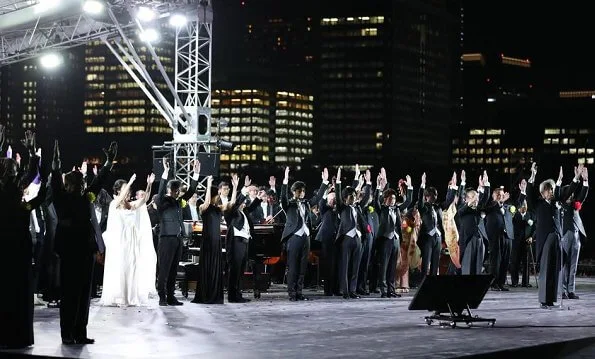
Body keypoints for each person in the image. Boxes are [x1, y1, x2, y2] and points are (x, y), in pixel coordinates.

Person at [51, 140, 117, 345]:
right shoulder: (61, 199)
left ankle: (80, 332)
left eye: (82, 183)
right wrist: (55, 163)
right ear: (69, 185)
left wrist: (108, 163)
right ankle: (67, 334)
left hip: (85, 252)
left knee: (83, 295)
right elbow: (54, 181)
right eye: (79, 183)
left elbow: (97, 184)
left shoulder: (86, 198)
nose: (82, 186)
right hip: (70, 253)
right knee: (70, 294)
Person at [100, 173, 156, 306]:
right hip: (121, 242)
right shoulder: (115, 203)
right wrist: (129, 182)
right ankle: (121, 296)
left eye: (128, 188)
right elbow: (119, 200)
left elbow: (144, 200)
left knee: (133, 267)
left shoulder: (131, 205)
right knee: (122, 268)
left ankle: (130, 296)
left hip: (132, 240)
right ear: (119, 190)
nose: (128, 191)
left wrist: (149, 184)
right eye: (125, 188)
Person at [155, 157, 200, 306]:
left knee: (174, 269)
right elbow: (160, 193)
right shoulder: (162, 201)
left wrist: (196, 174)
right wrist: (165, 172)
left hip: (177, 238)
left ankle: (171, 296)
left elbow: (192, 191)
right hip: (166, 239)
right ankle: (162, 296)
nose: (178, 193)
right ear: (171, 190)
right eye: (176, 191)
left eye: (178, 191)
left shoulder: (178, 201)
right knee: (164, 269)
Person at [192, 174, 238, 304]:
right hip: (207, 242)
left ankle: (214, 295)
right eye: (216, 194)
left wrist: (235, 188)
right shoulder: (203, 207)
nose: (219, 196)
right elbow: (206, 202)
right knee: (207, 267)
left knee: (216, 267)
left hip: (216, 242)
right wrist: (208, 186)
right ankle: (206, 295)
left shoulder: (218, 209)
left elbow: (232, 203)